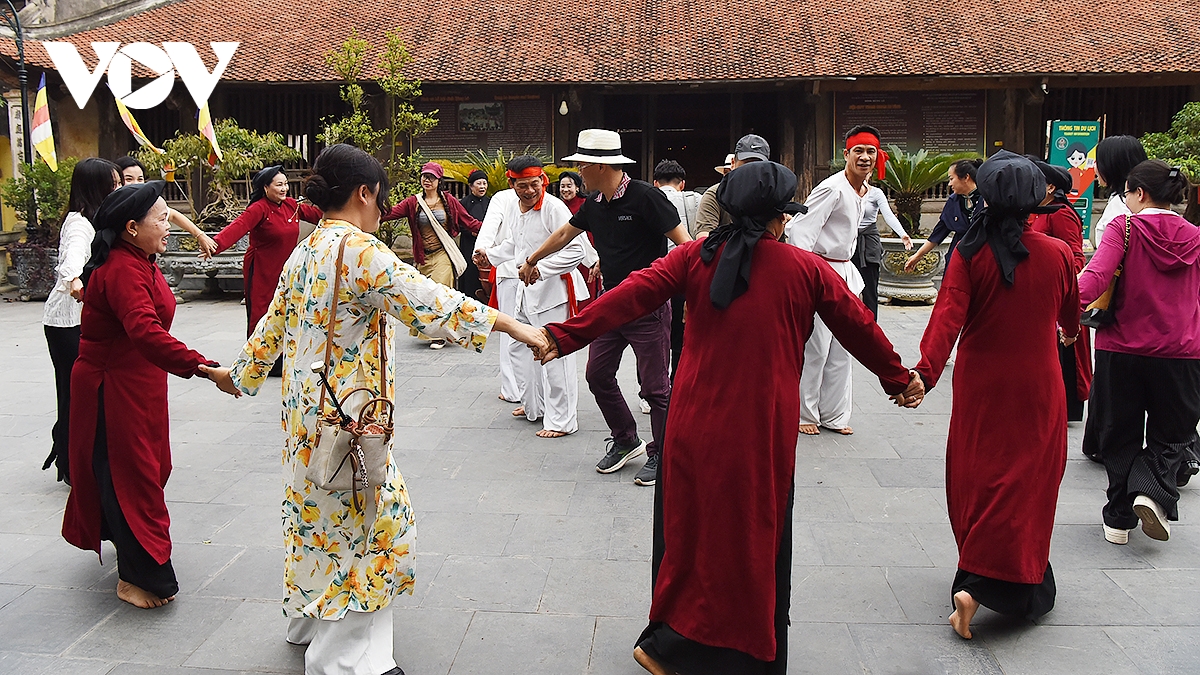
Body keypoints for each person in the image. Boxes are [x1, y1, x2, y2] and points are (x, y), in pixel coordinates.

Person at [531, 161, 923, 675]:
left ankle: (667, 643)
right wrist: (901, 379)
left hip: (691, 424)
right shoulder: (807, 269)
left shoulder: (694, 256)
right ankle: (743, 650)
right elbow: (859, 326)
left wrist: (562, 336)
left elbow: (628, 294)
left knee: (688, 532)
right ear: (781, 218)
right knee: (749, 538)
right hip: (759, 432)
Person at [208, 144, 546, 675]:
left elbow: (272, 323)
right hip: (349, 421)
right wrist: (516, 327)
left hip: (305, 420)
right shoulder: (361, 251)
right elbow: (434, 302)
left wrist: (240, 375)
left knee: (312, 520)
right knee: (374, 526)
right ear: (365, 193)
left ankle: (310, 623)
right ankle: (345, 659)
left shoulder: (307, 246)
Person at [914, 151, 1080, 639]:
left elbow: (946, 319)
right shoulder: (1056, 256)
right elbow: (1070, 319)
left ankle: (975, 574)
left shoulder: (969, 251)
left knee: (978, 474)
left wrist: (923, 374)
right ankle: (986, 586)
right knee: (1029, 480)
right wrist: (1068, 335)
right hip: (1038, 383)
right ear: (1036, 201)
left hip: (981, 382)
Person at [61, 180, 234, 610]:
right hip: (111, 387)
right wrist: (206, 368)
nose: (169, 226)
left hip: (142, 381)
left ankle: (127, 540)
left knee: (153, 467)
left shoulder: (142, 259)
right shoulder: (120, 269)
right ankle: (139, 576)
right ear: (132, 228)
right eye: (162, 219)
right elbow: (145, 331)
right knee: (129, 476)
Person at [522, 129, 691, 486]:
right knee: (597, 374)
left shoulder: (648, 198)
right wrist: (533, 258)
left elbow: (685, 246)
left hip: (648, 305)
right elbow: (566, 234)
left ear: (601, 165)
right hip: (611, 305)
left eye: (582, 164)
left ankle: (663, 453)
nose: (578, 171)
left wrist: (689, 293)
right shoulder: (594, 204)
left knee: (656, 388)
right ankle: (627, 438)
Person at [1079, 160, 1200, 545]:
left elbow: (1097, 276)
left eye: (1127, 193)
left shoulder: (1124, 227)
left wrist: (1058, 306)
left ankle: (1118, 518)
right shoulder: (1196, 237)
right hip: (1182, 351)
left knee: (1120, 433)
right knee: (1174, 434)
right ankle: (1151, 491)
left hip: (1121, 349)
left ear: (1140, 193)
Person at [787, 124, 888, 435]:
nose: (865, 157)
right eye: (858, 150)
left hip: (846, 271)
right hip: (820, 270)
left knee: (843, 346)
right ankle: (805, 412)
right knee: (817, 345)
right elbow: (801, 232)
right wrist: (806, 276)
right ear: (846, 154)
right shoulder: (832, 188)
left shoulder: (867, 192)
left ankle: (834, 414)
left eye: (870, 151)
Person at [479, 155, 590, 437]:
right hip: (524, 294)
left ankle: (562, 420)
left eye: (534, 184)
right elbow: (514, 245)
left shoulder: (555, 208)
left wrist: (542, 268)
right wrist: (488, 256)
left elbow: (577, 250)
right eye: (523, 186)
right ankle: (535, 406)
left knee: (554, 354)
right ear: (512, 185)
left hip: (553, 294)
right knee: (520, 348)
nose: (529, 191)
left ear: (543, 181)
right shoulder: (515, 208)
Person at [42, 157, 120, 484]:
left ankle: (68, 455)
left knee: (78, 393)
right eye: (113, 185)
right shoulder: (79, 224)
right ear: (97, 187)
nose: (118, 189)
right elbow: (71, 262)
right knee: (76, 394)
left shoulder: (94, 218)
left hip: (75, 320)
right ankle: (71, 463)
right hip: (65, 322)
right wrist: (75, 282)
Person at [206, 165, 323, 373]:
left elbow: (318, 216)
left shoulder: (291, 206)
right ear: (265, 187)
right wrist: (213, 245)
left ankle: (282, 357)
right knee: (261, 311)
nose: (284, 188)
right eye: (279, 184)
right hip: (261, 267)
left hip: (286, 269)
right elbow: (238, 227)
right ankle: (258, 360)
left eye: (286, 184)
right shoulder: (258, 208)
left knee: (287, 310)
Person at [1083, 136, 1148, 461]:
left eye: (1100, 162)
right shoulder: (1148, 205)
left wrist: (1071, 301)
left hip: (1120, 309)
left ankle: (1107, 448)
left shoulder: (1121, 211)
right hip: (1156, 316)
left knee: (1114, 385)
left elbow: (1101, 271)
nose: (1094, 169)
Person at [384, 161, 482, 349]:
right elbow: (390, 213)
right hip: (424, 257)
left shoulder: (448, 201)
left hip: (443, 254)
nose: (427, 180)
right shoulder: (413, 202)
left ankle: (439, 336)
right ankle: (434, 331)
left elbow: (468, 222)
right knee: (423, 294)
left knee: (438, 292)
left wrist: (491, 229)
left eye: (432, 177)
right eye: (424, 176)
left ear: (439, 181)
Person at [1027, 157, 1092, 421]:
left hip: (1059, 296)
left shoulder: (1061, 212)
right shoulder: (1039, 210)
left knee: (1065, 357)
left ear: (1051, 187)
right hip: (1041, 293)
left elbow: (1076, 257)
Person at [474, 188, 524, 401]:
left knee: (510, 329)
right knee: (526, 328)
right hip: (529, 271)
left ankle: (513, 389)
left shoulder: (503, 197)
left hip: (514, 270)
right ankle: (525, 389)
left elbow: (489, 228)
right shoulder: (540, 196)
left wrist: (481, 250)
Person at [653, 159, 700, 378]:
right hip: (685, 275)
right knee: (681, 337)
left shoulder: (647, 200)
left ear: (655, 183)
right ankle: (676, 383)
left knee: (653, 337)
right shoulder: (695, 200)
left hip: (656, 275)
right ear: (682, 183)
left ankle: (651, 389)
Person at [118, 154, 218, 256]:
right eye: (129, 179)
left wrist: (200, 235)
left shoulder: (148, 204)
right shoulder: (112, 207)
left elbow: (172, 214)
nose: (136, 184)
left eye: (140, 179)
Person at [904, 158, 981, 273]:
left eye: (951, 179)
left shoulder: (987, 199)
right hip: (959, 254)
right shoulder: (953, 201)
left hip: (982, 255)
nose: (949, 184)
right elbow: (939, 232)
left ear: (966, 177)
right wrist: (917, 256)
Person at [854, 183, 913, 319]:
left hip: (869, 242)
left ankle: (871, 328)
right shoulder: (845, 190)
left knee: (869, 289)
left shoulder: (876, 193)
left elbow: (889, 215)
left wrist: (902, 234)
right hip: (849, 240)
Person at [695, 136, 770, 238]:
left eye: (757, 165)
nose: (751, 170)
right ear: (733, 163)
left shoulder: (770, 196)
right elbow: (704, 239)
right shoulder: (715, 194)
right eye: (746, 164)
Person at [558, 170, 602, 311]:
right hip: (567, 257)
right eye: (562, 186)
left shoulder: (587, 204)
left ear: (577, 187)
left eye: (569, 186)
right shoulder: (558, 207)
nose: (565, 190)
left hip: (589, 256)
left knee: (588, 297)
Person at [457, 169, 490, 300]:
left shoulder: (491, 202)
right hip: (469, 243)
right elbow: (459, 222)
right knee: (470, 272)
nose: (482, 187)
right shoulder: (463, 203)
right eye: (479, 183)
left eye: (484, 183)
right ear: (471, 186)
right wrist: (471, 231)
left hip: (487, 244)